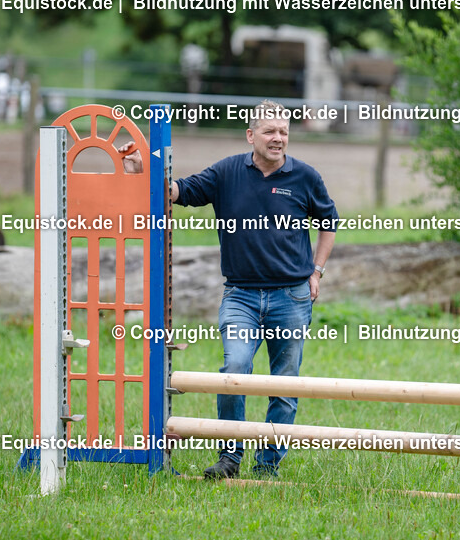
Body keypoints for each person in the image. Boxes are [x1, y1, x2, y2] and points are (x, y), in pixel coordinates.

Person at [122, 99, 338, 478]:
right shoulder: (226, 173)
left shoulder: (305, 177)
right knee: (234, 369)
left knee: (283, 384)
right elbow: (180, 190)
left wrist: (316, 271)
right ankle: (229, 458)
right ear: (250, 135)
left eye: (284, 132)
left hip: (292, 297)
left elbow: (329, 224)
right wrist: (144, 172)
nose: (278, 138)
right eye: (270, 131)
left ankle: (268, 465)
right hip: (240, 295)